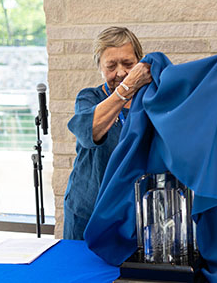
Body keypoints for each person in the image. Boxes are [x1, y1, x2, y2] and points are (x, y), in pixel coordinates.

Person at [63, 27, 152, 240]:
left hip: (133, 214)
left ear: (139, 63)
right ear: (100, 68)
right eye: (111, 66)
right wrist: (127, 88)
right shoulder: (89, 98)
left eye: (128, 64)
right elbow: (90, 131)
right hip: (87, 212)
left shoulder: (150, 100)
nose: (120, 72)